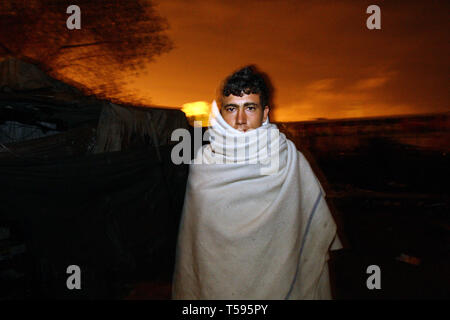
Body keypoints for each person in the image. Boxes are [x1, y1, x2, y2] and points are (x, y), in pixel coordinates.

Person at [172, 66, 342, 299]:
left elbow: (310, 227)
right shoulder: (204, 162)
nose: (240, 119)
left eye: (250, 108)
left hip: (280, 281)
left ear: (264, 113)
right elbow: (196, 243)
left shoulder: (288, 159)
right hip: (216, 283)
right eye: (232, 108)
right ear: (221, 113)